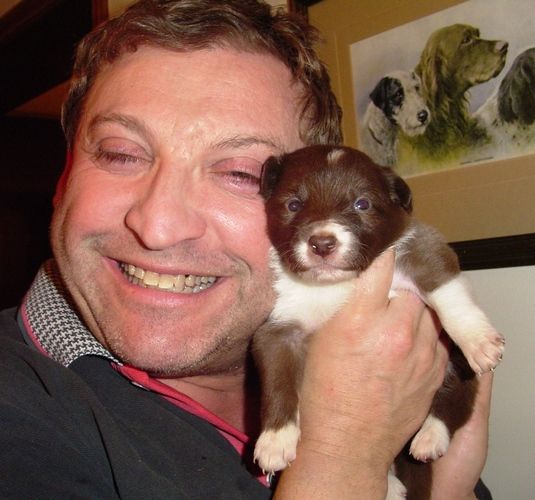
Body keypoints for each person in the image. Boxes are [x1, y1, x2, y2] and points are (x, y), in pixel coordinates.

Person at [0, 0, 493, 498]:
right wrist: (342, 454)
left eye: (241, 173)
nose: (159, 226)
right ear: (63, 179)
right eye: (120, 154)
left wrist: (445, 490)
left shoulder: (392, 376)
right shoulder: (17, 414)